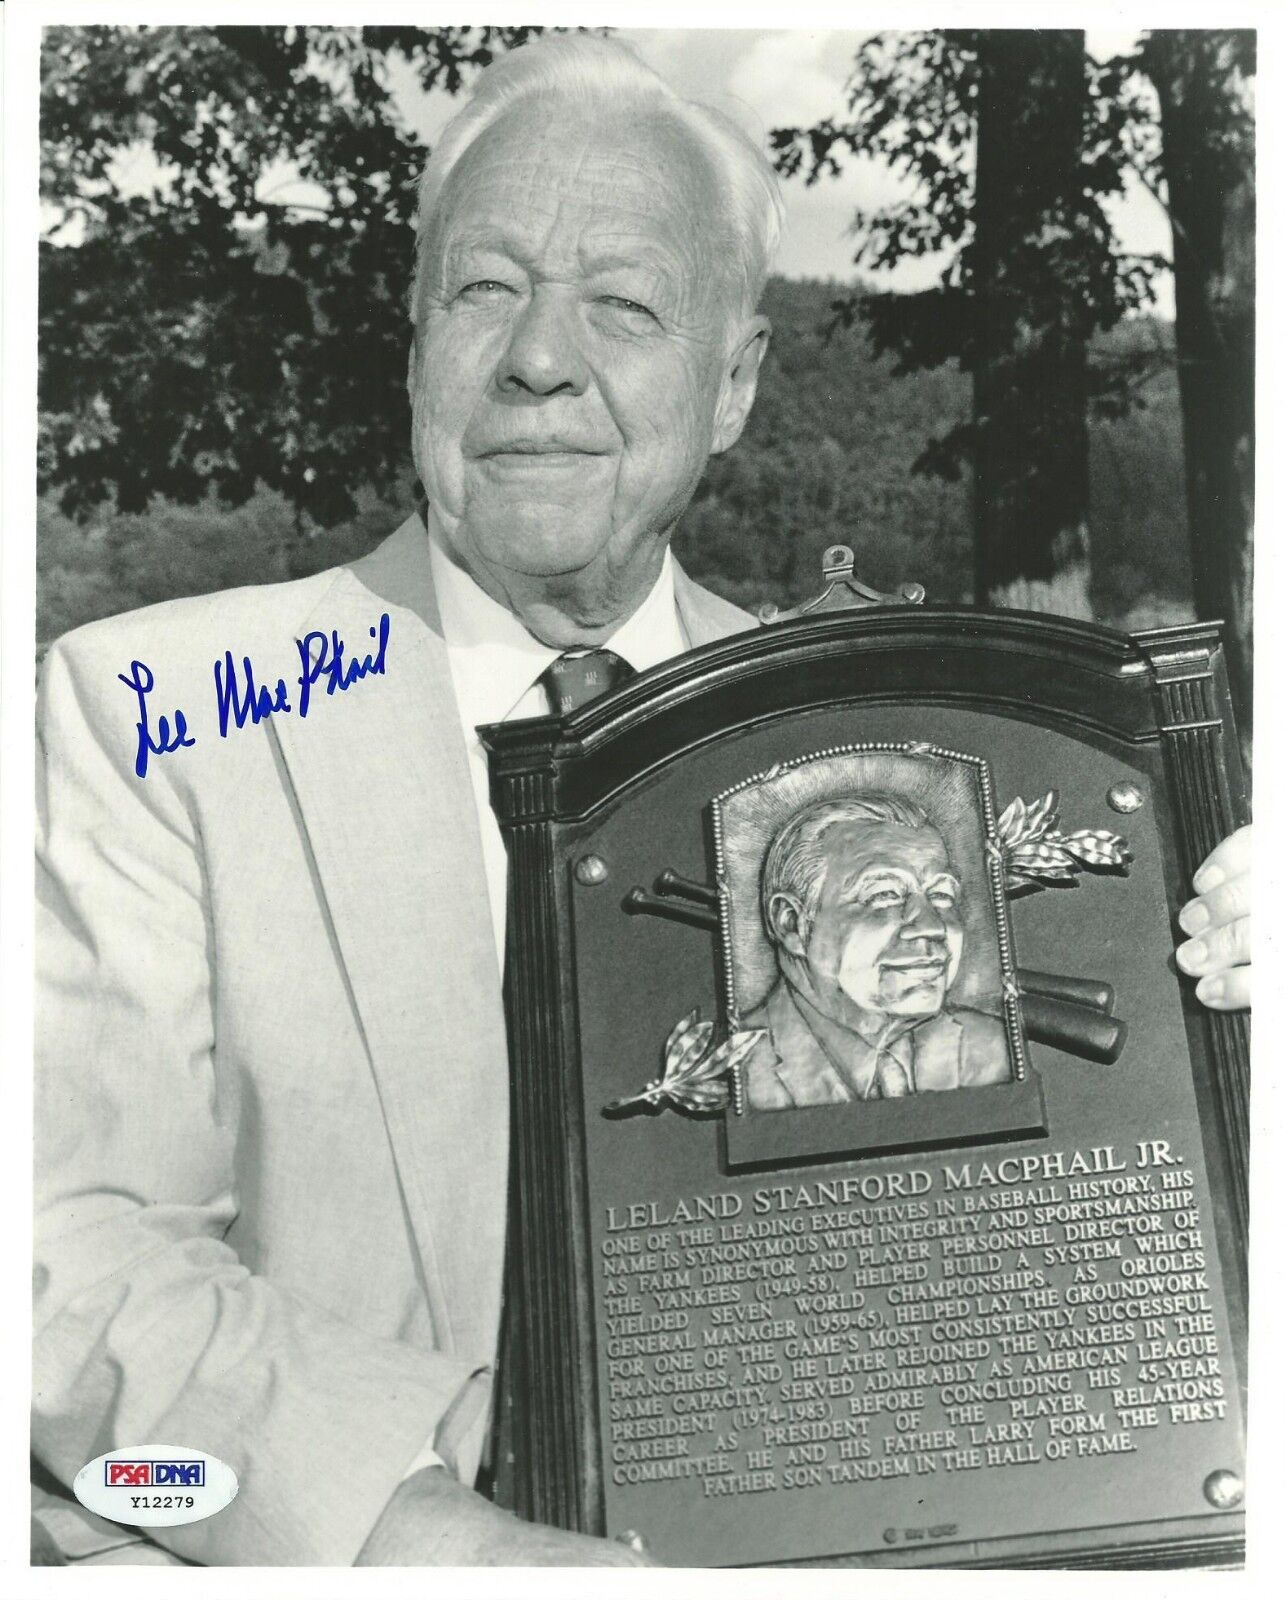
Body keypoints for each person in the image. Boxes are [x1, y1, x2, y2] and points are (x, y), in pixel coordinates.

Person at [31, 34, 1250, 1569]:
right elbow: (64, 1246)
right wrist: (424, 1541)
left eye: (622, 304)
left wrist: (1216, 1016)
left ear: (732, 384)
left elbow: (1054, 1226)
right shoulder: (147, 717)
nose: (541, 357)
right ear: (413, 348)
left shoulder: (904, 755)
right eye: (484, 289)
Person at [742, 794, 1010, 1110]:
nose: (932, 926)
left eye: (941, 894)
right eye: (884, 895)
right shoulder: (734, 1070)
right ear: (791, 925)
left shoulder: (993, 1048)